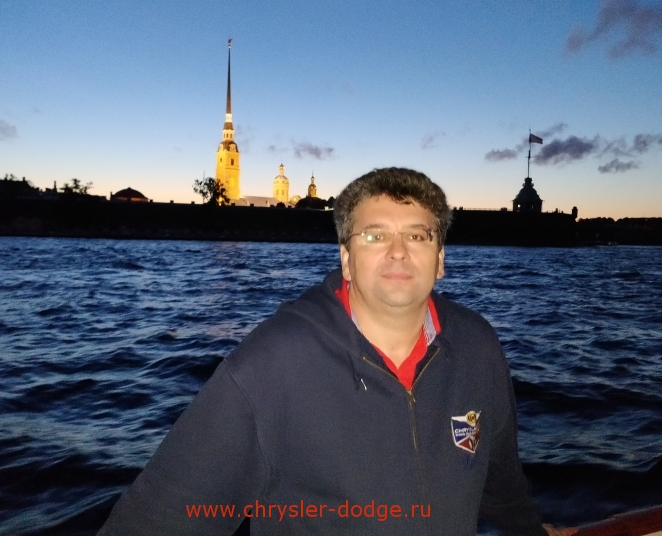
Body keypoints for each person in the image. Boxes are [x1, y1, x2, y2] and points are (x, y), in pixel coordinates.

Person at [99, 167, 573, 535]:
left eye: (417, 235)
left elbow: (501, 485)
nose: (398, 251)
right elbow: (158, 522)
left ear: (441, 259)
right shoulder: (271, 365)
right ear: (346, 258)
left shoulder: (478, 346)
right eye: (374, 235)